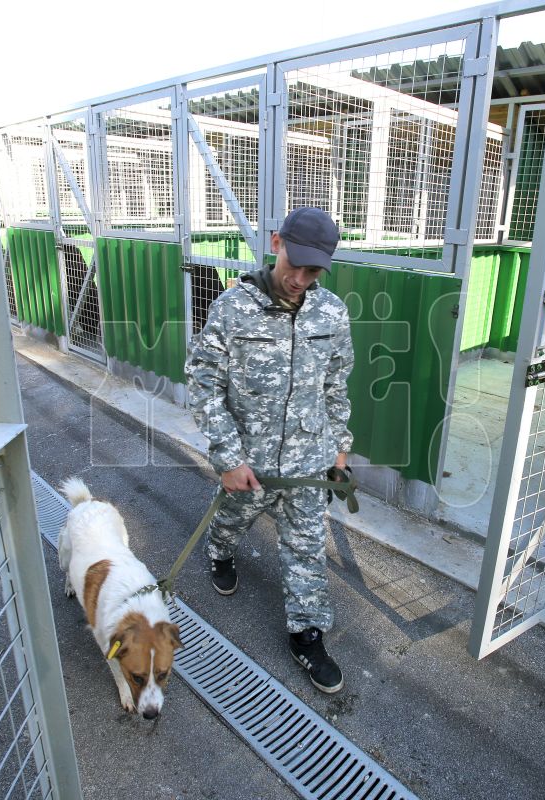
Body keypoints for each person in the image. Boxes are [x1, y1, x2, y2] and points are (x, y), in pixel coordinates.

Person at [184, 207, 354, 694]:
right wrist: (228, 460)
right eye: (294, 264)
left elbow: (335, 385)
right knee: (231, 520)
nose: (300, 279)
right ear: (276, 243)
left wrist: (340, 449)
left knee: (307, 548)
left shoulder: (332, 312)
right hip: (249, 464)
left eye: (313, 271)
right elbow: (203, 383)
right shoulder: (232, 308)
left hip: (308, 464)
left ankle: (307, 634)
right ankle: (220, 552)